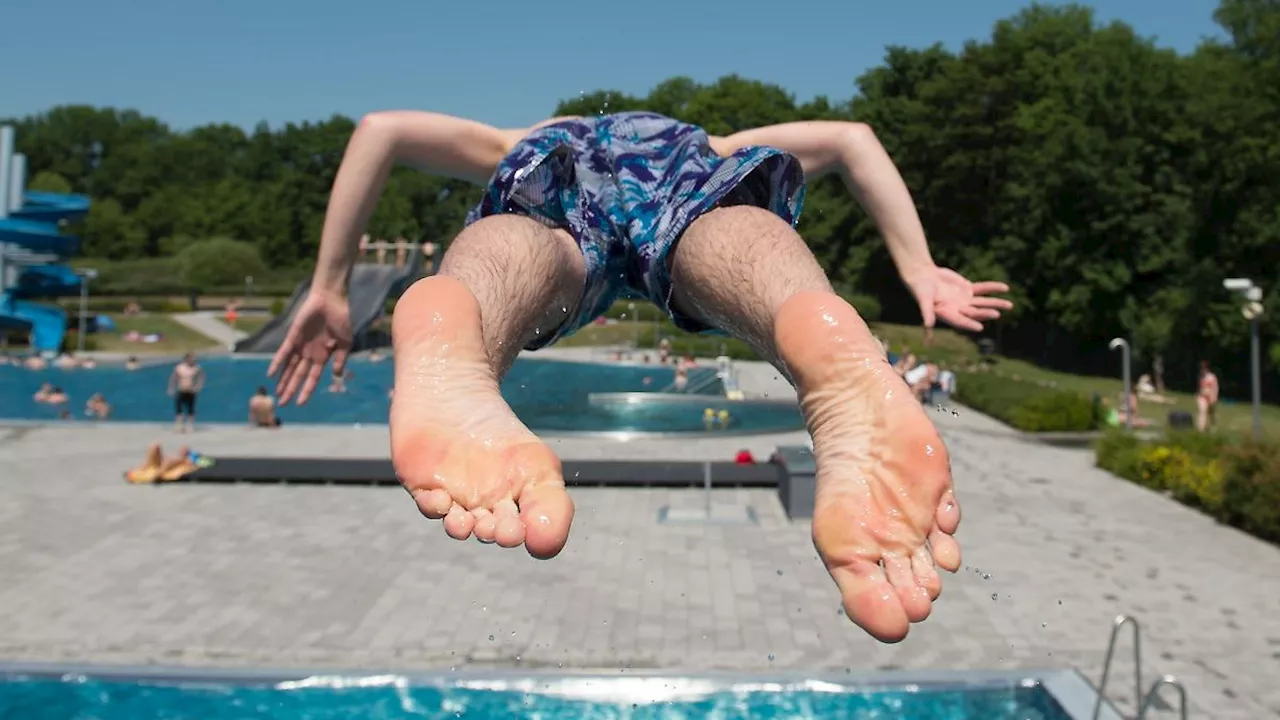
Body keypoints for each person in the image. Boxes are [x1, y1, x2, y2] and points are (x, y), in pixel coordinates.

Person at [267, 110, 1013, 643]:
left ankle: (463, 327)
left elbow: (379, 130)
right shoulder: (715, 143)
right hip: (683, 182)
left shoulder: (522, 137)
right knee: (725, 232)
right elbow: (854, 139)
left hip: (556, 184)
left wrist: (329, 286)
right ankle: (814, 325)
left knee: (525, 245)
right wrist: (919, 267)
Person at [168, 352, 205, 433]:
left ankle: (190, 425)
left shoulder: (197, 368)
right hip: (181, 390)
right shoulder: (179, 368)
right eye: (192, 359)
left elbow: (201, 379)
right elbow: (173, 378)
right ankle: (179, 425)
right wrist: (171, 388)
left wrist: (198, 387)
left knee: (191, 408)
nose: (194, 360)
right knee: (179, 408)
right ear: (186, 359)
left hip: (191, 391)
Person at [1196, 360, 1219, 432]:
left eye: (1203, 368)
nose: (1202, 370)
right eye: (1201, 368)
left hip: (1211, 398)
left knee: (1211, 413)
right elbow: (1200, 387)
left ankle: (1213, 426)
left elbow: (1215, 388)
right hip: (1202, 397)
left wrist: (1213, 397)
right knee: (1202, 411)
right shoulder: (1200, 376)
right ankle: (1201, 429)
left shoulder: (1212, 377)